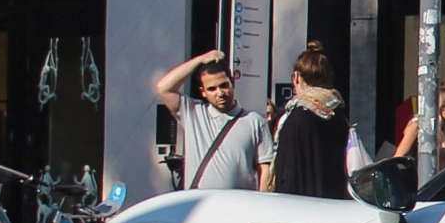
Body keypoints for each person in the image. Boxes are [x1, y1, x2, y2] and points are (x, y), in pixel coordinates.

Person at [155, 48, 271, 191]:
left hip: (240, 206)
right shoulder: (193, 112)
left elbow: (266, 170)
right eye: (212, 89)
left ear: (233, 82)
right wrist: (200, 59)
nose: (220, 93)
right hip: (199, 204)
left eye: (224, 85)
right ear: (203, 92)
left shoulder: (255, 121)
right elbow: (163, 88)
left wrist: (259, 205)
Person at [263, 41, 367, 197]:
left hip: (300, 209)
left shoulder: (294, 119)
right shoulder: (338, 115)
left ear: (296, 78)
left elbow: (287, 174)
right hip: (333, 204)